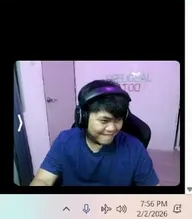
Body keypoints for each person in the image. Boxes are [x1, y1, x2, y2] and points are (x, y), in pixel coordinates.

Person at [29, 80, 160, 187]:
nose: (112, 128)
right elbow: (43, 180)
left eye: (118, 119)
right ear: (83, 118)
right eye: (104, 120)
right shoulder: (65, 141)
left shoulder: (134, 148)